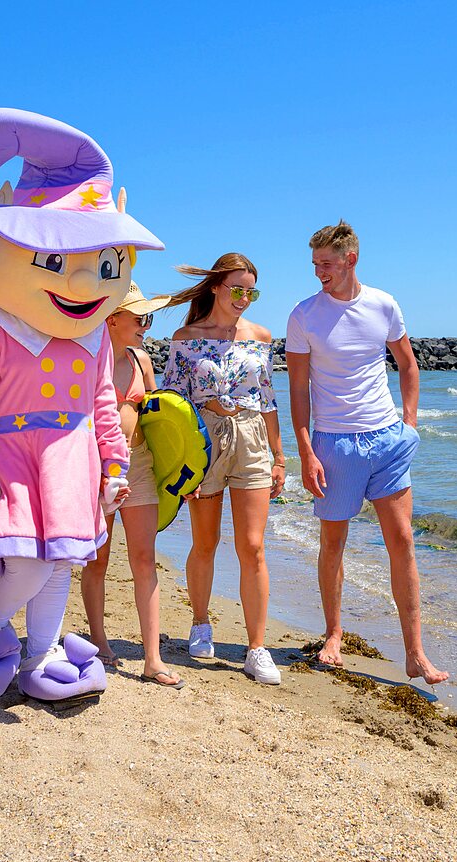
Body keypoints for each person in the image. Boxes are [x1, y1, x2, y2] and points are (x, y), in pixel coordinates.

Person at [285, 220, 448, 686]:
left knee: (403, 542)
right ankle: (333, 634)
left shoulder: (383, 304)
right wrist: (305, 450)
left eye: (327, 263)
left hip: (387, 440)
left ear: (350, 259)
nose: (319, 271)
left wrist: (410, 424)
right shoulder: (303, 315)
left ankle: (415, 654)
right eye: (315, 264)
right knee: (333, 543)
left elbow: (408, 364)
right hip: (334, 444)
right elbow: (299, 388)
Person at [163, 253, 285, 686]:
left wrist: (280, 456)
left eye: (251, 291)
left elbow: (268, 399)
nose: (244, 298)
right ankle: (200, 623)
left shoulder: (261, 337)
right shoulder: (186, 337)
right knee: (206, 541)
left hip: (251, 439)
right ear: (216, 286)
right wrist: (179, 463)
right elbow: (172, 402)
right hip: (205, 441)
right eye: (237, 288)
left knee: (252, 546)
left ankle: (256, 648)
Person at [80, 283, 183, 688]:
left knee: (144, 559)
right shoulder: (87, 358)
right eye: (139, 319)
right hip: (96, 468)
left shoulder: (142, 360)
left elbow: (159, 420)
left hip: (139, 465)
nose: (146, 326)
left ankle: (152, 658)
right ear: (112, 319)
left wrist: (178, 470)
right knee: (97, 561)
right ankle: (100, 643)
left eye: (148, 319)